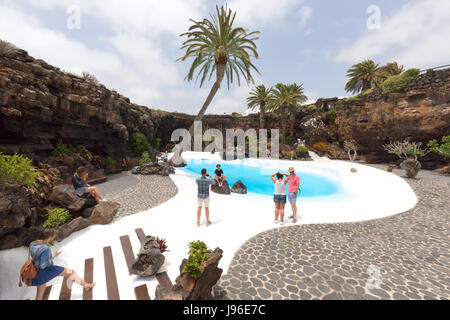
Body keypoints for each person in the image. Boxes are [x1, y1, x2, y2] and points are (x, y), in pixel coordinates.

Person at [27, 229, 95, 300]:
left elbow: (37, 258)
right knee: (71, 272)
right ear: (50, 237)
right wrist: (52, 258)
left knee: (39, 294)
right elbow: (44, 265)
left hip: (36, 273)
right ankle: (86, 285)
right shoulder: (45, 248)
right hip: (45, 271)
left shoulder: (33, 244)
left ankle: (86, 285)